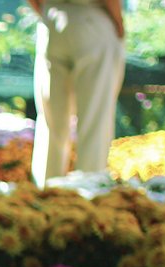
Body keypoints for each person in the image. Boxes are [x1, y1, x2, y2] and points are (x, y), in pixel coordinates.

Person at [28, 0, 126, 187]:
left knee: (51, 121)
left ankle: (44, 194)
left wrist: (48, 12)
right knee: (94, 120)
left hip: (52, 21)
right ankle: (87, 197)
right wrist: (119, 24)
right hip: (92, 20)